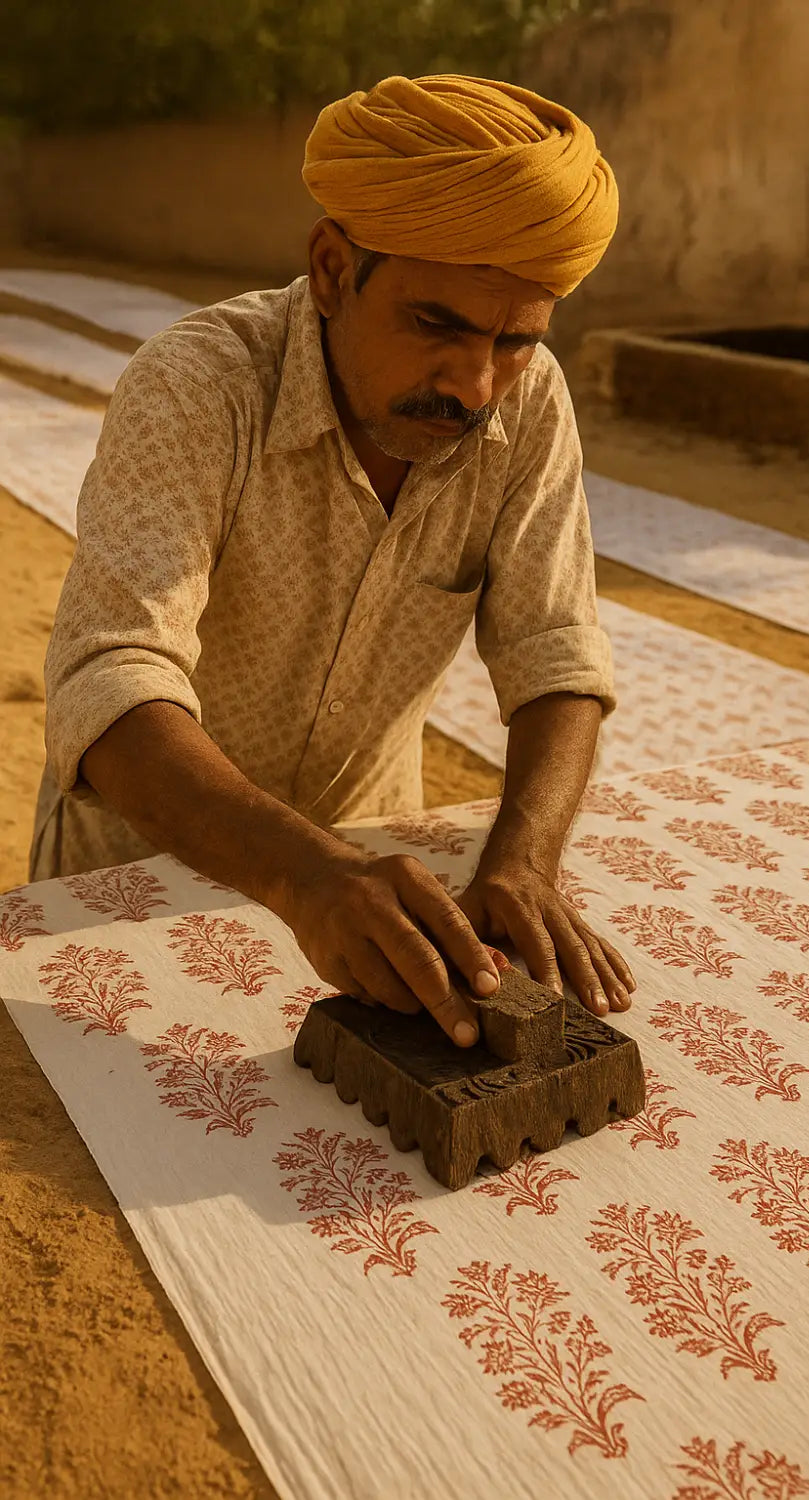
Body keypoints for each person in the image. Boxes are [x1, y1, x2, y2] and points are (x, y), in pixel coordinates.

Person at [31, 73, 635, 1047]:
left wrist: (524, 861)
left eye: (516, 341)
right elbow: (110, 677)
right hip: (137, 885)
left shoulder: (527, 403)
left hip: (372, 884)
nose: (475, 385)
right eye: (436, 324)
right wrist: (305, 875)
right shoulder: (199, 388)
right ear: (330, 268)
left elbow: (554, 649)